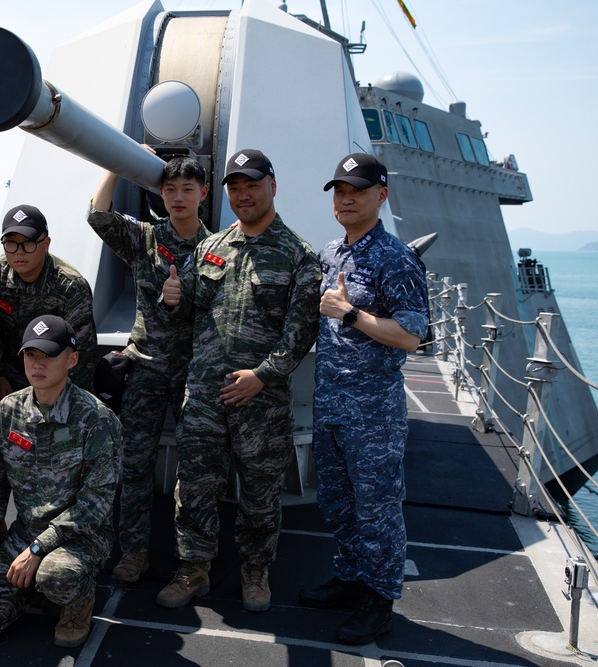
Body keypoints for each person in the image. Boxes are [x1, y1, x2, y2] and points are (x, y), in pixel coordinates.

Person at [159, 149, 321, 611]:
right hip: (206, 396)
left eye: (251, 184)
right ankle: (193, 568)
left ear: (272, 185)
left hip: (261, 401)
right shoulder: (212, 247)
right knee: (194, 488)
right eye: (235, 186)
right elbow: (187, 305)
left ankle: (255, 571)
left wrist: (262, 377)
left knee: (259, 492)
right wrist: (173, 299)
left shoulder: (298, 255)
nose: (243, 194)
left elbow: (300, 333)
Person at [299, 153, 429, 645]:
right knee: (338, 503)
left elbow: (411, 337)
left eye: (356, 190)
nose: (346, 198)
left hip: (373, 415)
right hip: (332, 404)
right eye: (339, 191)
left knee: (376, 509)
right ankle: (352, 578)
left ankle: (379, 602)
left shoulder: (396, 259)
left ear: (381, 195)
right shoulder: (333, 253)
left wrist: (349, 313)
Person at [0, 315, 122, 648]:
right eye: (31, 354)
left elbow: (95, 504)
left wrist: (39, 548)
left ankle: (77, 602)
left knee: (56, 576)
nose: (38, 363)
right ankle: (29, 588)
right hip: (25, 533)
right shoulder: (9, 411)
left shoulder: (95, 418)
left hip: (82, 537)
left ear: (72, 359)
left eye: (48, 355)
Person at [88, 155, 210, 583]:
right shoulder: (144, 238)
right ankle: (134, 552)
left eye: (188, 190)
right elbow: (97, 215)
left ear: (203, 195)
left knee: (195, 472)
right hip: (147, 369)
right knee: (135, 465)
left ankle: (193, 562)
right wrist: (120, 159)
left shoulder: (218, 249)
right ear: (161, 194)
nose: (179, 198)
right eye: (171, 190)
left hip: (197, 374)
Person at [0, 204, 97, 404]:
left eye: (28, 243)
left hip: (56, 383)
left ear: (46, 243)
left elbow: (82, 357)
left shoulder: (70, 287)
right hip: (7, 381)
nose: (19, 252)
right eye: (11, 243)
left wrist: (55, 401)